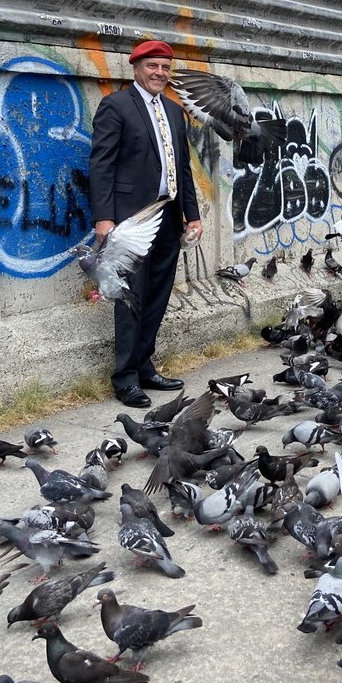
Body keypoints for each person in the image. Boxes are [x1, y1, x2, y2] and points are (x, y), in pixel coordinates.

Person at [88, 40, 202, 408]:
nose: (159, 73)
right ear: (136, 67)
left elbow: (182, 169)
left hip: (168, 216)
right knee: (131, 296)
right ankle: (124, 378)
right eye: (152, 66)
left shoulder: (174, 111)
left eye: (165, 67)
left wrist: (192, 215)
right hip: (131, 218)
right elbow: (101, 164)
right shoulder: (117, 105)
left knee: (157, 293)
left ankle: (144, 366)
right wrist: (104, 218)